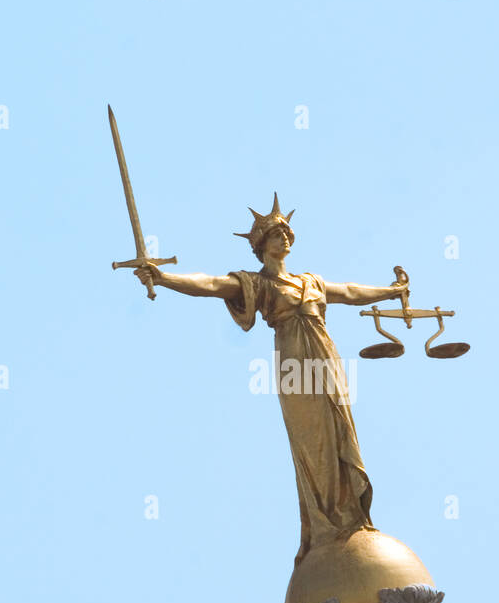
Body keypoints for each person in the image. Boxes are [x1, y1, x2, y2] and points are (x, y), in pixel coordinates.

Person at [134, 195, 406, 563]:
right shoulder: (257, 283)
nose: (285, 239)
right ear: (262, 245)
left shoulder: (311, 281)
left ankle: (351, 516)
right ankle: (324, 521)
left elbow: (351, 292)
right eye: (277, 234)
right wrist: (164, 277)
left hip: (326, 355)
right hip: (293, 361)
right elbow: (211, 285)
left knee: (340, 428)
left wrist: (392, 291)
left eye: (287, 233)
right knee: (313, 440)